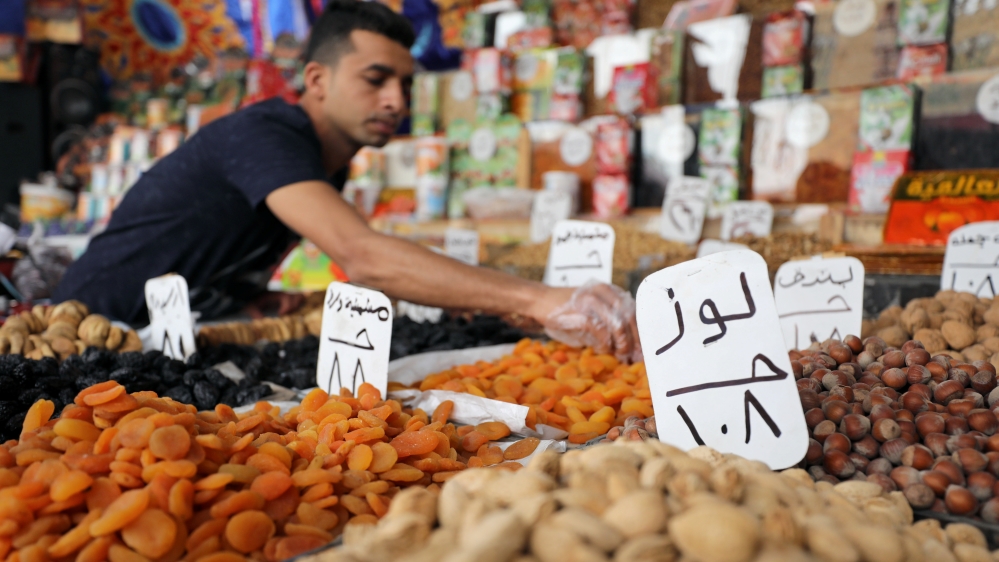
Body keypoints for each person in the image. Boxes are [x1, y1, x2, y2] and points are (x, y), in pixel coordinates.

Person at [53, 0, 641, 360]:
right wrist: (539, 301)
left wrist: (255, 299)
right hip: (84, 338)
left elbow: (220, 245)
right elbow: (364, 256)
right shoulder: (265, 136)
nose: (396, 100)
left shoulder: (330, 156)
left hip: (170, 336)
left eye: (406, 85)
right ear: (316, 79)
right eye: (376, 79)